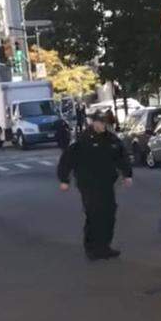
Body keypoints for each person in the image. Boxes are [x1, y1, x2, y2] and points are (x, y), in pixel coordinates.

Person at [57, 111, 133, 261]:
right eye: (101, 123)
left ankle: (104, 246)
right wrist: (64, 179)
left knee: (109, 213)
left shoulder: (111, 139)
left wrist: (127, 174)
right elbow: (67, 159)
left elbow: (121, 156)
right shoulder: (82, 139)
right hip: (88, 183)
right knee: (94, 213)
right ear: (94, 123)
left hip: (106, 183)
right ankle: (92, 248)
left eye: (106, 123)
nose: (104, 126)